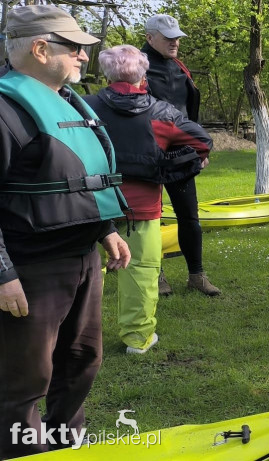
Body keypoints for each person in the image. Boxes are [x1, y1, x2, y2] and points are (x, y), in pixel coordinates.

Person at [0, 5, 131, 457]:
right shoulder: (4, 110)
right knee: (23, 381)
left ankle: (65, 446)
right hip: (30, 270)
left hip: (81, 261)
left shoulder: (67, 101)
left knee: (80, 363)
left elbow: (76, 174)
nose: (83, 57)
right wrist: (2, 273)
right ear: (40, 48)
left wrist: (106, 229)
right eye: (75, 47)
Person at [84, 45, 214, 354]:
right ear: (144, 76)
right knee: (140, 273)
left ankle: (78, 341)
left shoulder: (84, 107)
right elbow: (201, 143)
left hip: (90, 205)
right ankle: (137, 340)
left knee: (85, 275)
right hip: (139, 208)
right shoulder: (161, 112)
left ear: (107, 74)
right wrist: (173, 162)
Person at [142, 14, 219, 296]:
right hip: (148, 156)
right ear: (150, 38)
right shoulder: (135, 65)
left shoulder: (180, 67)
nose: (175, 42)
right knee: (150, 219)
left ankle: (196, 276)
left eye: (177, 37)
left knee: (190, 216)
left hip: (182, 153)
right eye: (168, 37)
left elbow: (189, 113)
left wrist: (199, 147)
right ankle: (156, 275)